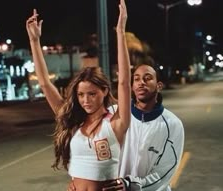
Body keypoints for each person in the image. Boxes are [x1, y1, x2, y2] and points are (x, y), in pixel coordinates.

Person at [25, 0, 131, 190]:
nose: (85, 100)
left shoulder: (115, 122)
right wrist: (34, 41)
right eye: (81, 94)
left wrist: (120, 31)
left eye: (92, 94)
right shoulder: (73, 121)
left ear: (105, 91)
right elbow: (44, 84)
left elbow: (123, 82)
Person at [101, 56, 185, 191]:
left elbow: (166, 169)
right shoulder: (113, 114)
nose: (141, 83)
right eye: (137, 79)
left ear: (159, 86)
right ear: (132, 86)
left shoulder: (172, 124)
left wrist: (132, 185)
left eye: (147, 78)